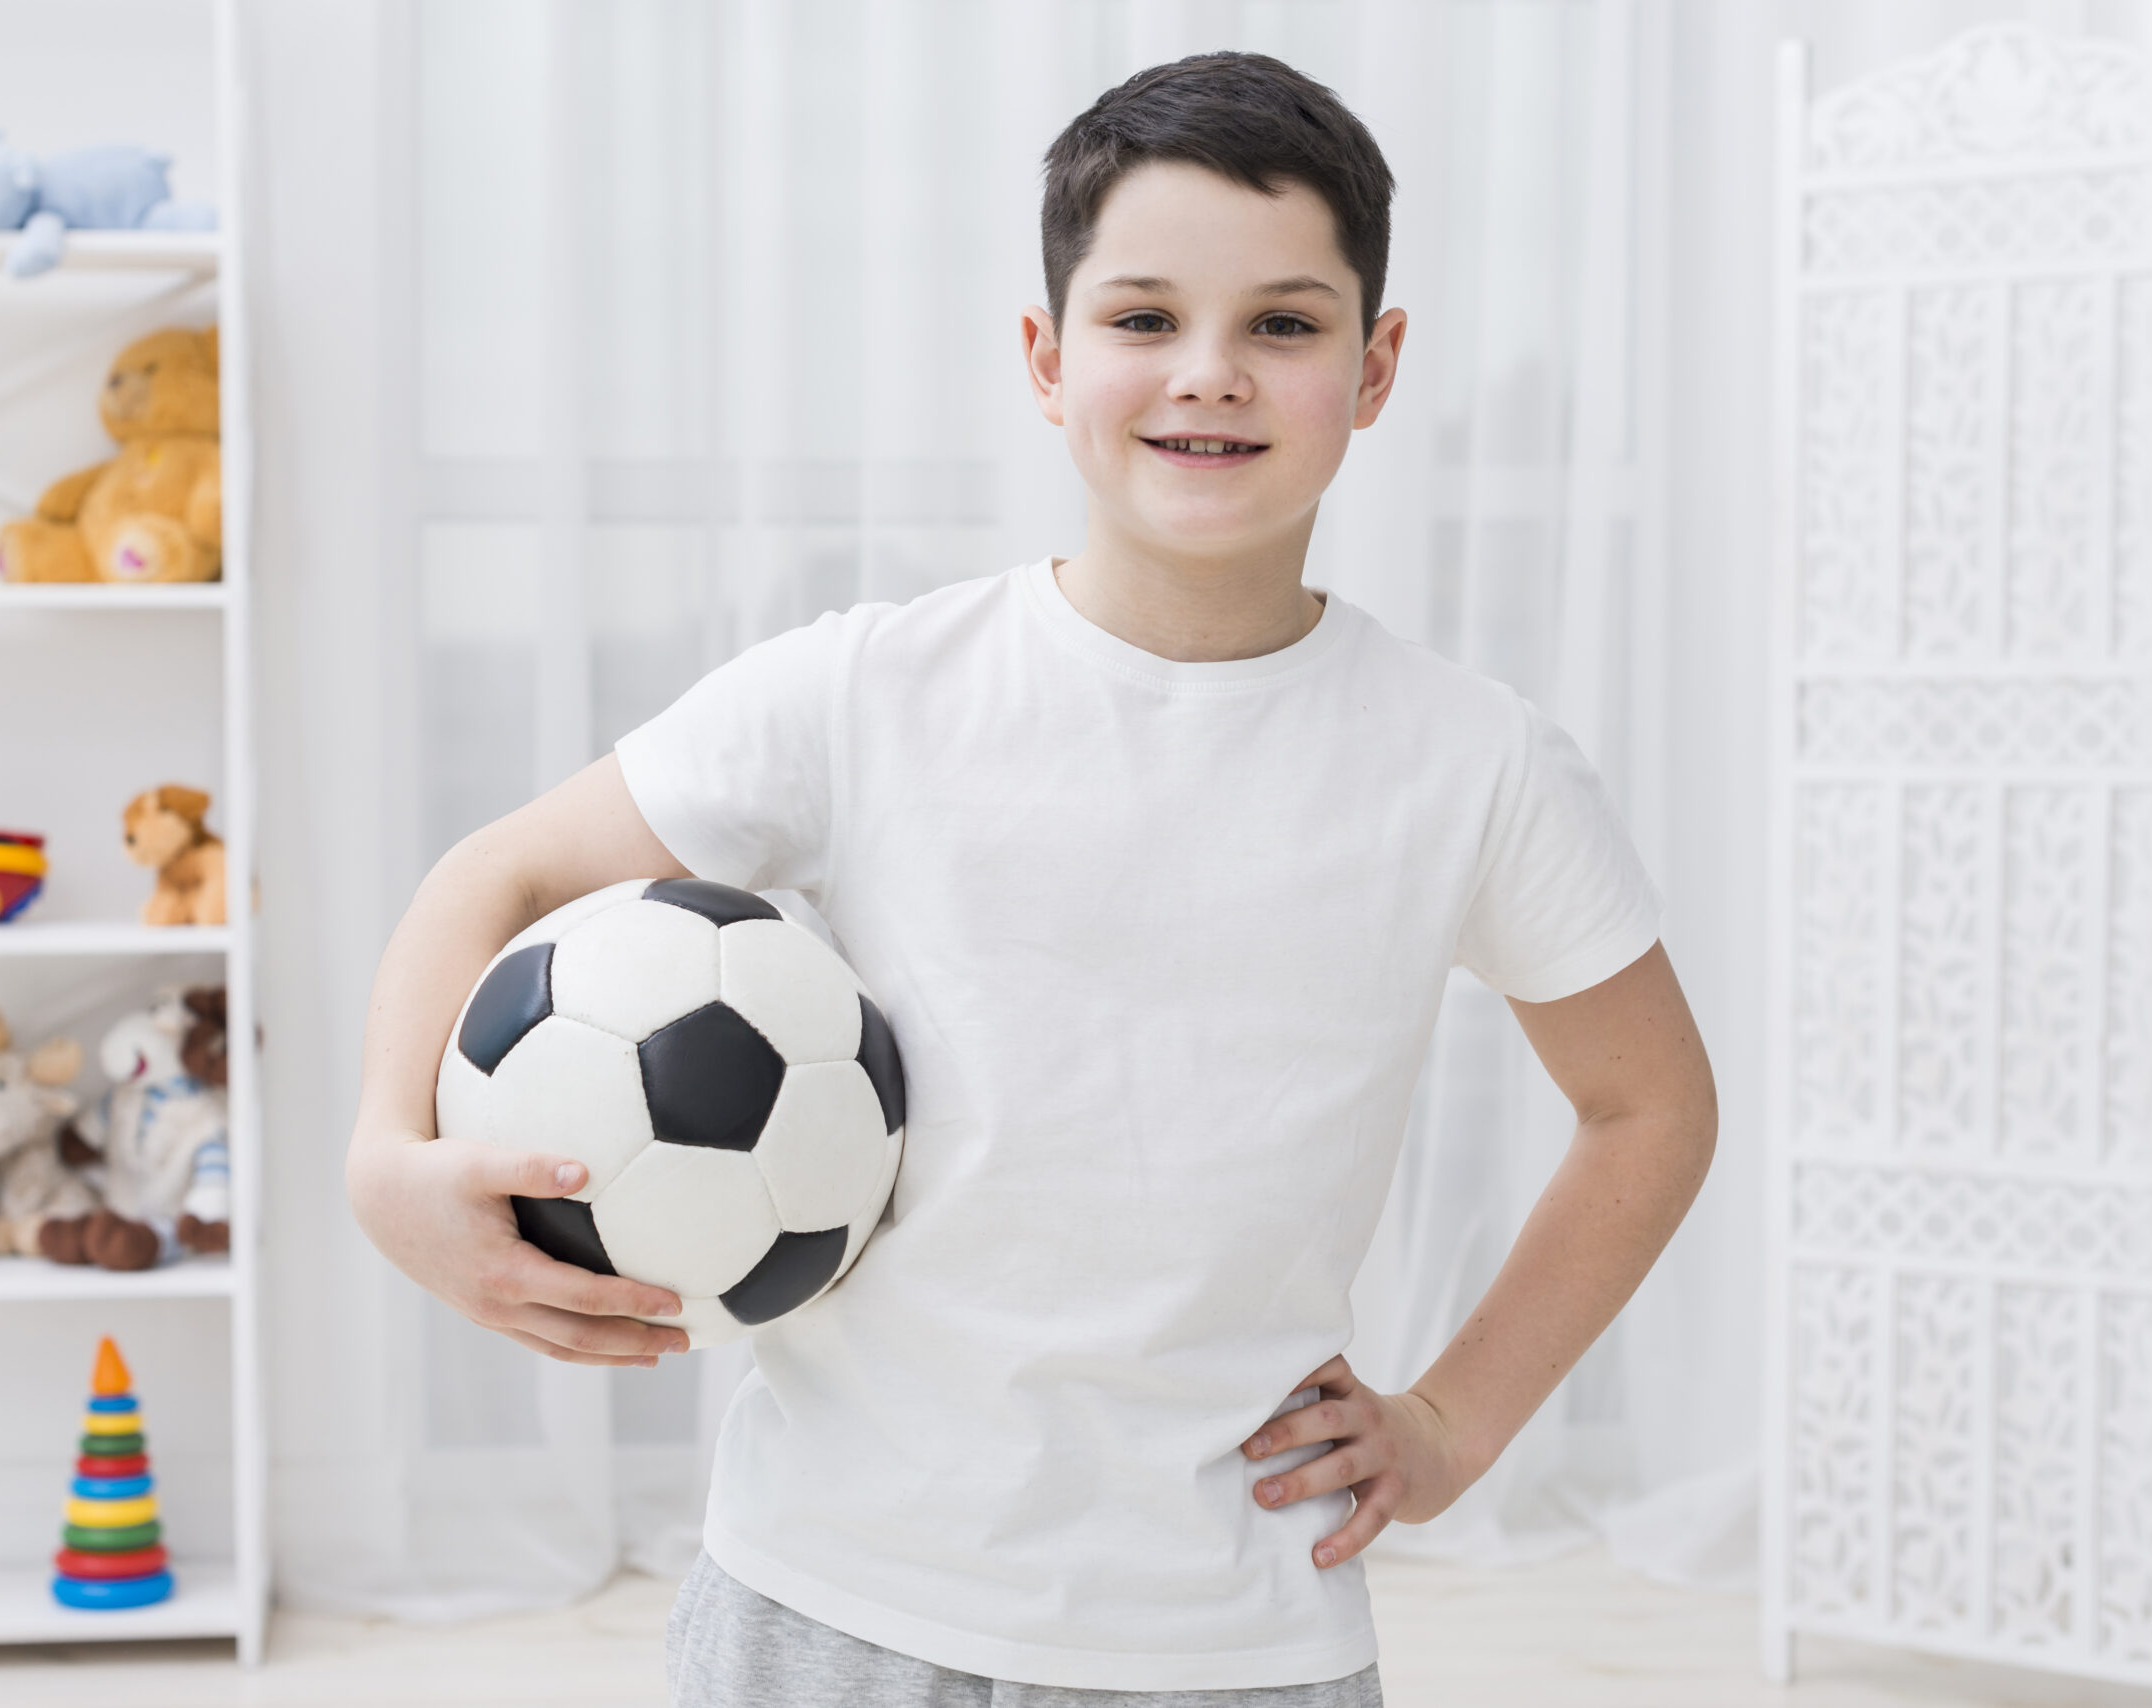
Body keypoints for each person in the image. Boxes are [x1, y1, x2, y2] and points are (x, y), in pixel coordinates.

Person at [347, 50, 1716, 1708]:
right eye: (1144, 319)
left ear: (1374, 367)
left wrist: (1452, 1422)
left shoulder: (1473, 762)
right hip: (831, 1598)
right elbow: (497, 877)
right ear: (1046, 355)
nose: (1208, 374)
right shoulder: (868, 693)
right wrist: (386, 1161)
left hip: (1237, 1637)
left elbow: (1650, 1107)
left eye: (1283, 324)